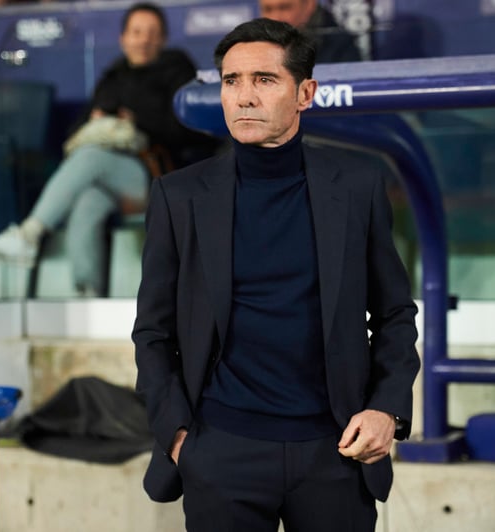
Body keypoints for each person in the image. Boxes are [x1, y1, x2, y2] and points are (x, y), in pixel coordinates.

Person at [132, 17, 419, 532]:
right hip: (220, 450)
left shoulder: (358, 186)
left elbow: (395, 313)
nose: (244, 96)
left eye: (264, 80)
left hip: (336, 451)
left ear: (305, 93)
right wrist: (177, 434)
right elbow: (153, 330)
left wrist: (386, 410)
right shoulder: (179, 196)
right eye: (231, 80)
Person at [0, 2, 216, 296]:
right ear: (123, 39)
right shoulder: (113, 76)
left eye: (152, 33)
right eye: (137, 32)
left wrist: (136, 119)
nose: (144, 40)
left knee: (91, 157)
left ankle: (30, 234)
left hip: (156, 177)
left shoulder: (176, 69)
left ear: (163, 39)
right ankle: (87, 296)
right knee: (88, 201)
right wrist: (100, 120)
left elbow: (188, 129)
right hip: (111, 178)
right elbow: (76, 132)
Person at [259, 0, 363, 63]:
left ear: (309, 4)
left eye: (285, 8)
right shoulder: (256, 46)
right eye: (268, 9)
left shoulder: (340, 45)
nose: (276, 18)